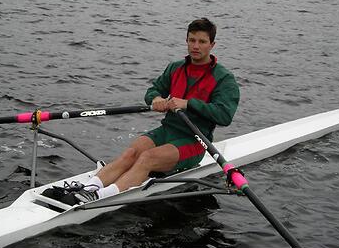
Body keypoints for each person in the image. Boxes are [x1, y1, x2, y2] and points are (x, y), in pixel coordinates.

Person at [43, 18, 240, 205]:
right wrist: (157, 99)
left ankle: (100, 196)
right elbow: (153, 91)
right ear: (187, 40)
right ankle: (88, 187)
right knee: (131, 152)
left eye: (202, 41)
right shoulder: (176, 68)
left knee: (147, 158)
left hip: (195, 140)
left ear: (212, 45)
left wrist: (188, 104)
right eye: (192, 40)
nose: (196, 46)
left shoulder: (224, 78)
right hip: (168, 130)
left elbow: (224, 115)